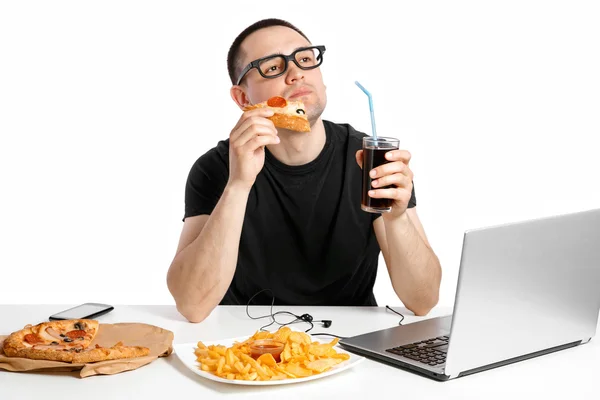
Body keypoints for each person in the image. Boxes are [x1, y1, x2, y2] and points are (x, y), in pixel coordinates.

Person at [166, 18, 442, 323]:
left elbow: (423, 301)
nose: (296, 73)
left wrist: (397, 217)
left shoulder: (371, 161)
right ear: (244, 98)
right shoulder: (216, 168)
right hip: (245, 344)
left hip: (352, 342)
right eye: (273, 67)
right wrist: (238, 185)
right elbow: (192, 305)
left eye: (306, 59)